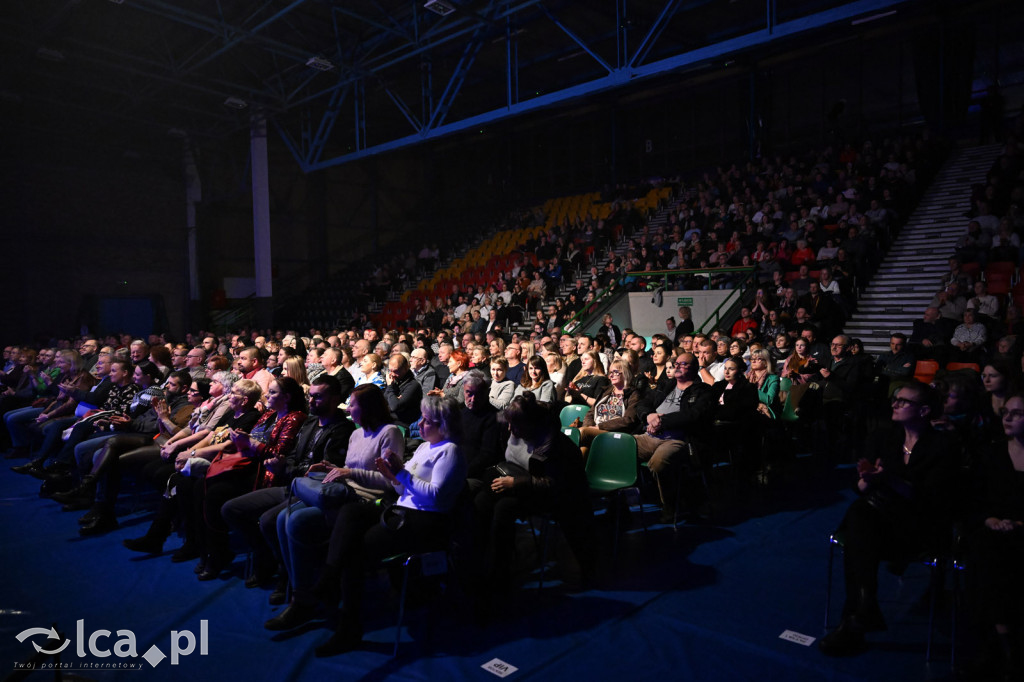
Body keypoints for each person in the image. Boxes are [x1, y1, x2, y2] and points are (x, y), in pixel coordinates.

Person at [313, 394, 465, 656]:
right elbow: (401, 488)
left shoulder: (450, 450)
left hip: (426, 521)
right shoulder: (423, 447)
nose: (420, 423)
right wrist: (391, 475)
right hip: (402, 510)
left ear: (443, 425)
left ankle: (348, 627)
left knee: (354, 553)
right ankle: (329, 579)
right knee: (351, 512)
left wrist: (402, 473)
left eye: (427, 420)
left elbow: (437, 496)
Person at [818, 382, 956, 656]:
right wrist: (867, 481)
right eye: (895, 399)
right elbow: (858, 486)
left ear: (924, 410)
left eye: (903, 402)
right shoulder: (883, 437)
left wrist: (890, 481)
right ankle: (861, 611)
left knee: (860, 526)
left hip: (920, 525)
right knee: (861, 514)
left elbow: (935, 499)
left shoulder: (942, 445)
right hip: (878, 521)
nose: (894, 404)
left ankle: (857, 616)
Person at [471, 393, 595, 599]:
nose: (510, 430)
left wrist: (517, 483)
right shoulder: (516, 429)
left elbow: (555, 484)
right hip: (524, 484)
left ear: (530, 424)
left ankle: (499, 572)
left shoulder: (554, 444)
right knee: (482, 499)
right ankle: (480, 562)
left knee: (504, 508)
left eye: (515, 426)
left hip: (553, 495)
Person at [197, 376, 307, 580]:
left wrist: (250, 443)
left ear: (287, 397)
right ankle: (208, 549)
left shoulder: (295, 417)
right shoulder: (269, 414)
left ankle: (233, 553)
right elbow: (251, 442)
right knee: (199, 485)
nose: (267, 395)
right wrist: (240, 440)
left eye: (273, 392)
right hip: (248, 464)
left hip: (267, 472)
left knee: (215, 494)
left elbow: (278, 454)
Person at [579, 360, 642, 451]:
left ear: (625, 373)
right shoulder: (605, 391)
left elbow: (628, 420)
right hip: (596, 429)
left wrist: (599, 427)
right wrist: (588, 427)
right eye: (610, 372)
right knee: (583, 445)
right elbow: (590, 413)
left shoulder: (633, 394)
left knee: (581, 433)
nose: (611, 375)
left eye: (615, 372)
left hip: (615, 433)